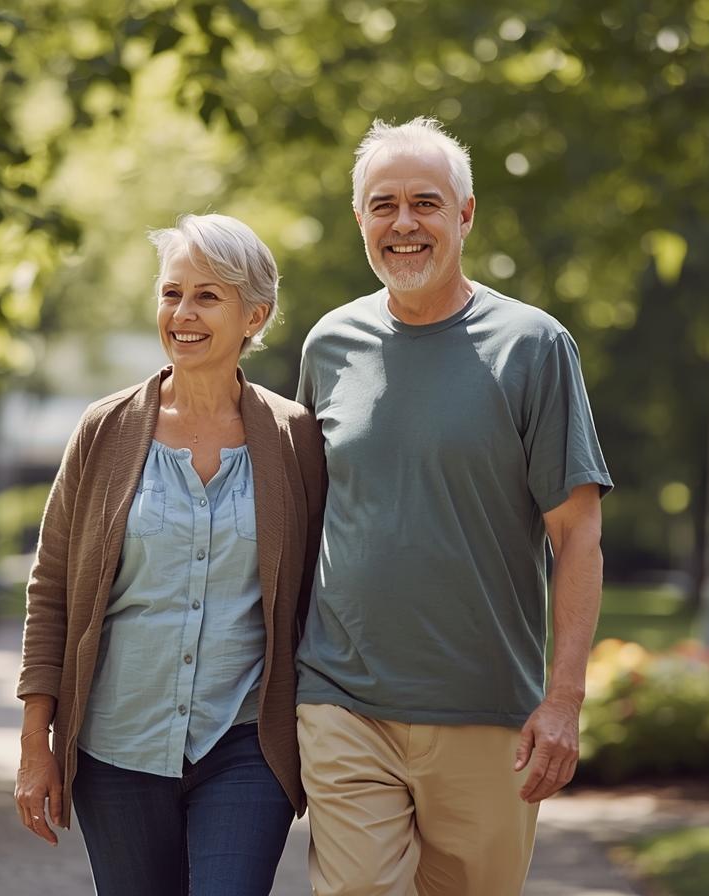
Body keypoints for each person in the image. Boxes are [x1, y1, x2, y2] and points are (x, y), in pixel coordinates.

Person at [294, 117, 613, 895]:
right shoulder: (328, 344)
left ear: (464, 214)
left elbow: (577, 536)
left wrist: (564, 700)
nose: (404, 224)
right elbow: (301, 524)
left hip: (484, 709)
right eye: (383, 205)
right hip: (343, 699)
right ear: (361, 219)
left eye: (426, 203)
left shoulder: (534, 347)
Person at [13, 214, 325, 896]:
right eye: (171, 293)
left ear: (255, 315)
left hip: (245, 745)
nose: (182, 313)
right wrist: (36, 743)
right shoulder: (104, 430)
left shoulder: (295, 439)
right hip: (116, 747)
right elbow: (52, 590)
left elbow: (313, 598)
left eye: (208, 296)